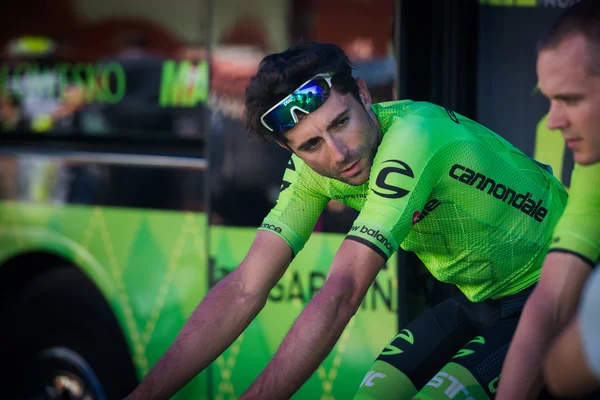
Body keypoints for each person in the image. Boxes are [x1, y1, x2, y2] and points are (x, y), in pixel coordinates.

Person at [125, 41, 567, 400]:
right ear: (289, 150)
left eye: (341, 122)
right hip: (479, 301)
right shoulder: (310, 170)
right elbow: (244, 287)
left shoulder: (416, 137)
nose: (338, 154)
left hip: (565, 289)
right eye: (311, 145)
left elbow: (342, 291)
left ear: (364, 93)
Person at [497, 1, 600, 399]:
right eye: (549, 99)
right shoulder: (593, 163)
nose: (554, 121)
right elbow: (551, 299)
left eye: (571, 99)